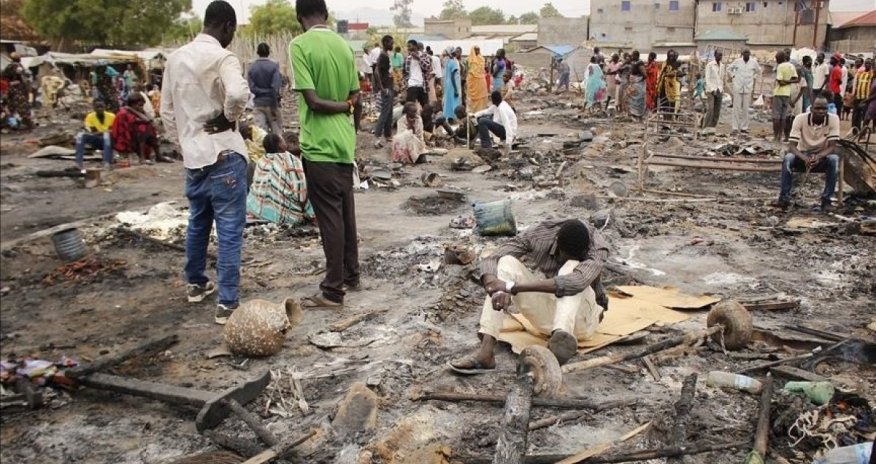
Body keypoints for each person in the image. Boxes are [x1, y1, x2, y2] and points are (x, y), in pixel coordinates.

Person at [161, 0, 251, 324]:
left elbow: (166, 112)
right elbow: (239, 94)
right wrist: (230, 118)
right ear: (227, 26)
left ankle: (196, 284)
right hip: (224, 153)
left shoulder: (175, 58)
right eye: (232, 31)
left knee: (198, 221)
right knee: (229, 228)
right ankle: (227, 303)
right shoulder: (222, 56)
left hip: (194, 156)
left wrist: (184, 142)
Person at [447, 219, 610, 373]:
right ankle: (486, 352)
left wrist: (512, 287)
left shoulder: (597, 247)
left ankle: (561, 339)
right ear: (556, 242)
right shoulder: (539, 235)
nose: (562, 259)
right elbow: (493, 258)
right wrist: (496, 287)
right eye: (562, 254)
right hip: (549, 318)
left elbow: (577, 281)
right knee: (506, 261)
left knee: (572, 267)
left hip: (584, 321)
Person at [290, 0, 361, 309]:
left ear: (299, 17)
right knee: (345, 212)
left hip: (319, 145)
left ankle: (332, 290)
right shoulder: (343, 46)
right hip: (344, 142)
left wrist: (345, 106)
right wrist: (350, 122)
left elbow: (314, 101)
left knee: (330, 218)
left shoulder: (300, 46)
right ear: (326, 14)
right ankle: (350, 274)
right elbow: (356, 96)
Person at [777, 95, 840, 212]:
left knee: (834, 159)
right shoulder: (800, 119)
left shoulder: (833, 119)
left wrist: (819, 156)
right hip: (802, 155)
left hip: (821, 156)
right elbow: (792, 146)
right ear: (811, 109)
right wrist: (805, 158)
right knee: (788, 158)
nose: (821, 111)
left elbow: (832, 147)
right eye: (817, 108)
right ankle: (784, 198)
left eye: (824, 109)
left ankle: (826, 200)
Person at [246, 132, 315, 226]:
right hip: (284, 215)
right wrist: (307, 212)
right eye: (282, 140)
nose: (285, 143)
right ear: (280, 145)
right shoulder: (291, 161)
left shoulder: (262, 161)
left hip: (257, 210)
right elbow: (301, 193)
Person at [112, 92, 162, 165]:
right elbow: (144, 120)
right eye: (139, 105)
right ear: (132, 105)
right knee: (143, 129)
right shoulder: (123, 112)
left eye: (142, 105)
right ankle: (142, 158)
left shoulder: (137, 111)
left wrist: (139, 111)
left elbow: (150, 120)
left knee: (149, 129)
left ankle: (158, 156)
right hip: (127, 137)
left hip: (136, 135)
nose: (141, 107)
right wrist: (134, 111)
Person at [248, 43, 283, 134]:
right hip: (272, 103)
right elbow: (275, 87)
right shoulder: (274, 66)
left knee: (261, 133)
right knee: (277, 132)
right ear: (269, 52)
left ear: (257, 52)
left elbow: (251, 88)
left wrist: (261, 92)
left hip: (258, 103)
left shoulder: (252, 67)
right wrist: (275, 104)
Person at [75, 100, 115, 170]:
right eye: (97, 107)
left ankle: (106, 163)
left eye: (101, 107)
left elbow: (112, 131)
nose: (100, 109)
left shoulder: (111, 116)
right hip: (98, 140)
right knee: (80, 136)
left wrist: (103, 132)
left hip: (110, 141)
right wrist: (104, 132)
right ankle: (79, 163)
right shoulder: (90, 117)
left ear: (105, 107)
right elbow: (93, 132)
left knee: (106, 135)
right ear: (94, 108)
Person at [728, 49, 761, 134]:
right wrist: (733, 76)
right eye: (744, 53)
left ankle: (744, 127)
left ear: (749, 54)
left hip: (747, 87)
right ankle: (735, 127)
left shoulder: (753, 62)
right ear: (742, 54)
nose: (746, 55)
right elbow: (729, 69)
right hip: (738, 86)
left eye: (747, 53)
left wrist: (754, 77)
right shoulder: (737, 61)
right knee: (736, 108)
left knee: (746, 108)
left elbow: (759, 71)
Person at [373, 35, 395, 149]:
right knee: (384, 113)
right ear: (386, 43)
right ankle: (377, 138)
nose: (393, 45)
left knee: (390, 112)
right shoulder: (383, 55)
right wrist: (382, 88)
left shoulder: (387, 54)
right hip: (386, 88)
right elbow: (377, 71)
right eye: (391, 43)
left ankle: (387, 134)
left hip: (390, 87)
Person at [772, 50, 798, 143]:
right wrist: (789, 82)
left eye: (777, 58)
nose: (776, 60)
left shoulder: (780, 67)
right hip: (787, 93)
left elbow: (780, 82)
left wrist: (785, 82)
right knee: (783, 117)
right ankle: (780, 135)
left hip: (778, 92)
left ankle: (775, 137)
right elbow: (796, 79)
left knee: (776, 116)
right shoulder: (791, 66)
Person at [2, 53, 32, 129]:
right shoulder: (17, 66)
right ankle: (27, 123)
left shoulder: (8, 66)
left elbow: (4, 76)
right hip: (18, 89)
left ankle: (12, 124)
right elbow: (26, 75)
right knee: (22, 106)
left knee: (10, 107)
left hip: (10, 88)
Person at [403, 39, 431, 108]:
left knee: (426, 107)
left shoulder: (424, 55)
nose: (408, 48)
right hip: (411, 85)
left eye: (409, 46)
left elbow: (428, 67)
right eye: (407, 46)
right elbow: (406, 72)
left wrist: (418, 58)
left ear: (415, 46)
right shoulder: (408, 58)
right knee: (410, 107)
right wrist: (406, 83)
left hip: (422, 85)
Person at [703, 51, 725, 129]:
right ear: (715, 55)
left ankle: (712, 127)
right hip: (711, 90)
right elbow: (707, 78)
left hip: (719, 89)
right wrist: (712, 89)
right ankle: (705, 127)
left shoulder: (722, 66)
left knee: (717, 110)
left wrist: (721, 89)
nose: (720, 57)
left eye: (721, 55)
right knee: (711, 109)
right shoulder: (710, 65)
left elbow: (721, 78)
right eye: (719, 55)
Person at [657, 50, 682, 116]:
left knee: (673, 99)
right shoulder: (665, 63)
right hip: (664, 83)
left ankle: (672, 115)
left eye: (672, 56)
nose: (671, 57)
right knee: (664, 99)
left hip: (673, 84)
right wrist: (659, 84)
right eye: (669, 55)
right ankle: (664, 115)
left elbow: (677, 73)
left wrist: (672, 74)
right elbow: (662, 72)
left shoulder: (676, 63)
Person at [851, 59, 873, 131]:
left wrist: (869, 98)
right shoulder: (861, 73)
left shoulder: (872, 74)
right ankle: (855, 130)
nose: (867, 65)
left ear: (871, 65)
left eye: (869, 64)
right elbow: (857, 84)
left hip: (866, 98)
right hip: (858, 97)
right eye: (866, 63)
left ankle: (863, 133)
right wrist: (854, 94)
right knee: (856, 115)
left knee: (865, 116)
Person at [625, 51, 647, 120]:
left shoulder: (640, 63)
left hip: (638, 85)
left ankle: (638, 115)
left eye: (633, 56)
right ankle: (632, 114)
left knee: (638, 100)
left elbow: (645, 75)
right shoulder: (633, 62)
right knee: (630, 98)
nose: (631, 57)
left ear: (636, 56)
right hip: (633, 84)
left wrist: (638, 80)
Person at [467, 46, 488, 111]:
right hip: (473, 80)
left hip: (481, 80)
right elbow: (468, 70)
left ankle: (481, 110)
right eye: (476, 50)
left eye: (478, 50)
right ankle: (473, 111)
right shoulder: (469, 59)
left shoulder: (482, 59)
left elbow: (484, 69)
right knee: (473, 98)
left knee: (481, 97)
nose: (478, 52)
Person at [443, 47, 462, 122]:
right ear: (453, 53)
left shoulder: (448, 61)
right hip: (453, 84)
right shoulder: (454, 63)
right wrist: (456, 89)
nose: (456, 53)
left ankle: (450, 117)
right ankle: (454, 116)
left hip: (448, 84)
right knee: (454, 101)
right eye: (455, 52)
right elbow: (452, 76)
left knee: (449, 101)